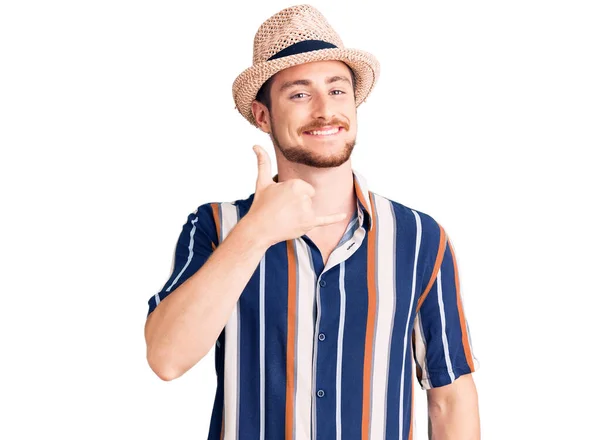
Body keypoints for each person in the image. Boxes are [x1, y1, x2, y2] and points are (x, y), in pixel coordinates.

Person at [144, 4, 480, 439]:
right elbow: (166, 358)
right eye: (299, 94)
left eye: (338, 91)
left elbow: (450, 397)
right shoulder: (217, 227)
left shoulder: (419, 238)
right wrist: (255, 233)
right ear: (262, 115)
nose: (325, 110)